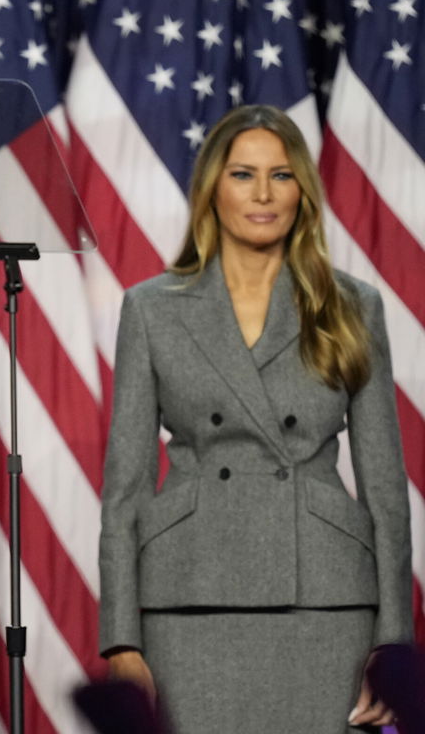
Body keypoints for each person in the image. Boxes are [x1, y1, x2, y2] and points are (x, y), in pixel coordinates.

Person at [98, 104, 412, 733]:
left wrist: (393, 642)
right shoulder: (152, 309)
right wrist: (121, 639)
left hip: (326, 600)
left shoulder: (353, 306)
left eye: (283, 175)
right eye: (243, 174)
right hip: (187, 598)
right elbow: (125, 489)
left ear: (303, 191)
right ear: (212, 187)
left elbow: (384, 485)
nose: (264, 194)